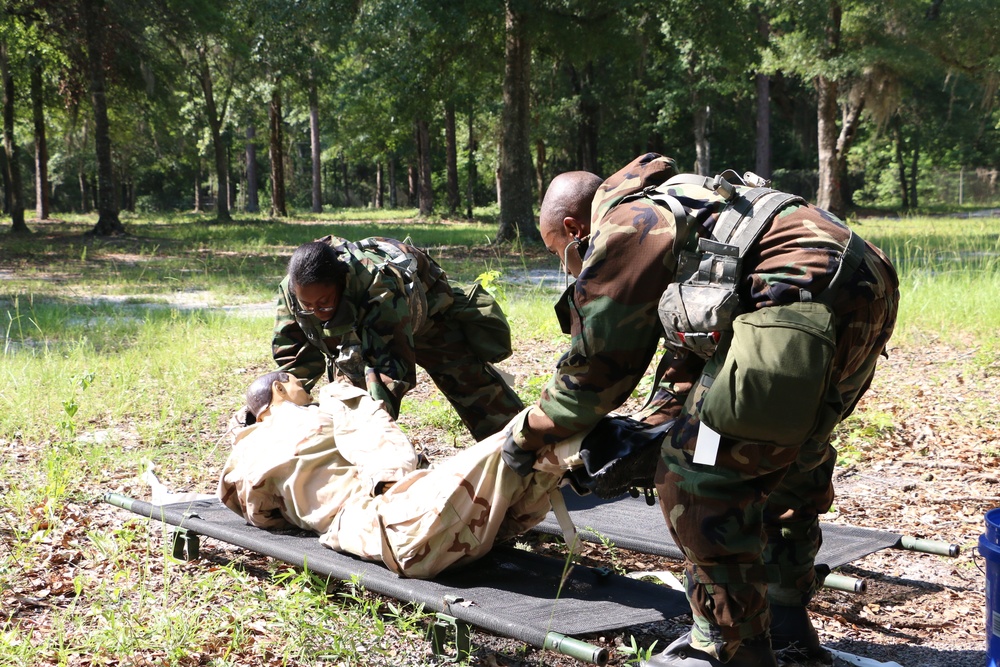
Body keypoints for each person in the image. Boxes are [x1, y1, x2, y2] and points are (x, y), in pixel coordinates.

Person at [503, 153, 899, 667]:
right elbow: (694, 352)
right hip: (862, 282)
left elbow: (596, 372)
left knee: (698, 475)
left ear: (575, 229)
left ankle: (731, 651)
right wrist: (648, 430)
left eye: (561, 253)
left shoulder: (629, 224)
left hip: (793, 300)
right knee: (787, 452)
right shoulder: (689, 201)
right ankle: (785, 622)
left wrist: (528, 434)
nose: (567, 265)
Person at [219, 371, 597, 578]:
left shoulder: (245, 456)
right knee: (518, 441)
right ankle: (582, 439)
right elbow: (384, 444)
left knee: (517, 455)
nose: (308, 390)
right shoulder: (327, 408)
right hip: (395, 518)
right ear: (280, 386)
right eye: (300, 385)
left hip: (393, 533)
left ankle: (574, 445)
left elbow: (261, 515)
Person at [271, 236, 524, 441]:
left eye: (324, 303)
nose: (315, 312)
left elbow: (389, 370)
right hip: (356, 327)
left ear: (341, 284)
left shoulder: (377, 288)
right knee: (345, 405)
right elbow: (294, 361)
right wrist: (278, 407)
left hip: (424, 316)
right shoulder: (292, 291)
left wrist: (373, 429)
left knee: (473, 387)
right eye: (308, 306)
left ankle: (531, 456)